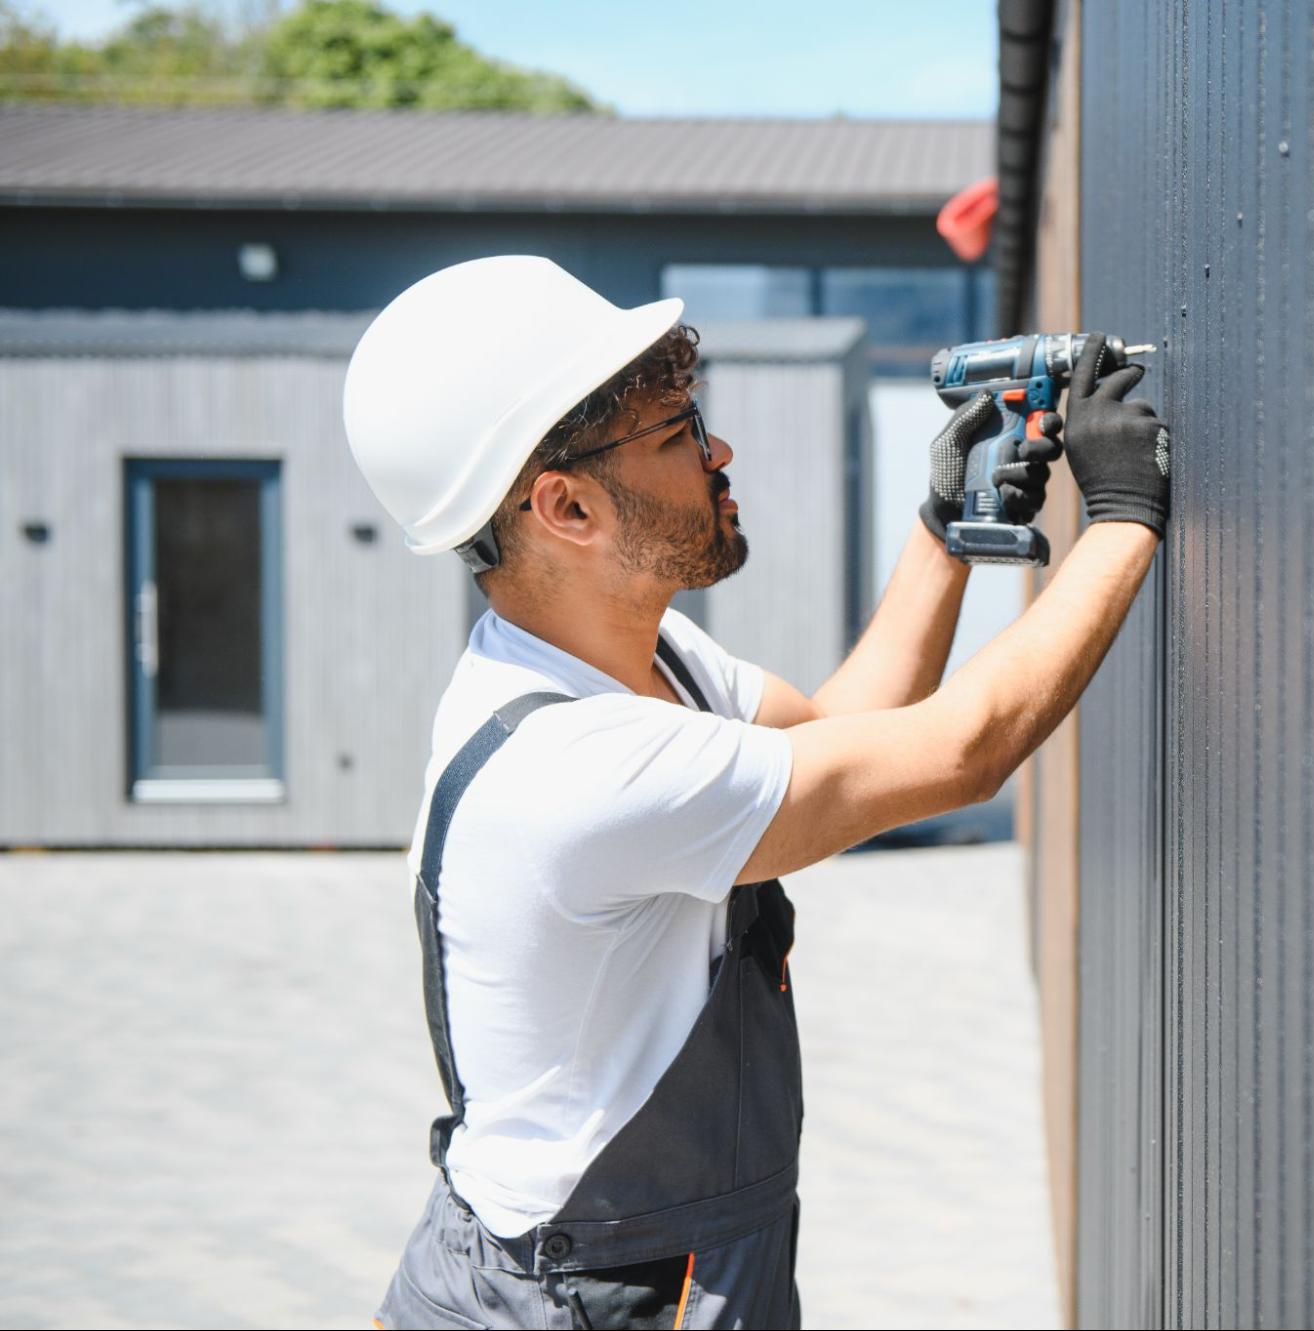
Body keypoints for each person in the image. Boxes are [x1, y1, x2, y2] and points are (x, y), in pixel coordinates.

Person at [343, 255, 1171, 1330]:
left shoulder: (640, 662)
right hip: (591, 1294)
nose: (717, 450)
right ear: (566, 504)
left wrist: (940, 530)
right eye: (678, 431)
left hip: (637, 1255)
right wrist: (1123, 516)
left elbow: (841, 732)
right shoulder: (578, 767)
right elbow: (960, 752)